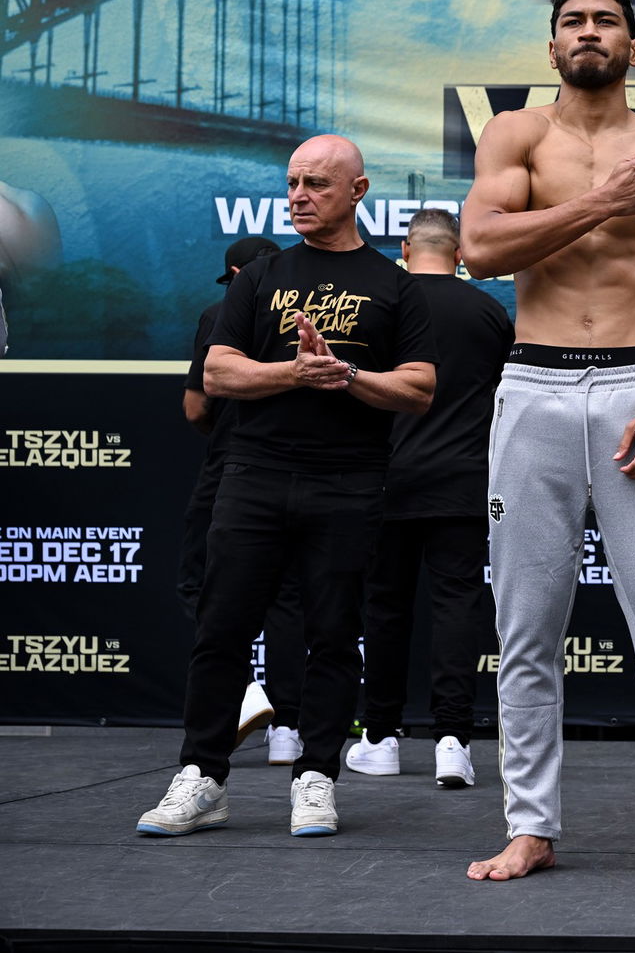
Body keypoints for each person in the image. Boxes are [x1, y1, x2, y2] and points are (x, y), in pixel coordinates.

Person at [458, 0, 635, 884]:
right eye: (574, 21)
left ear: (633, 47)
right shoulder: (516, 135)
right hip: (534, 384)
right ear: (552, 47)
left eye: (606, 21)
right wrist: (600, 205)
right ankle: (530, 826)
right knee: (526, 624)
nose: (590, 32)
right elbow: (480, 248)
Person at [136, 134, 437, 838]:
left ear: (358, 191)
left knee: (333, 634)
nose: (299, 196)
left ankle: (316, 777)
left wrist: (347, 375)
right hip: (254, 474)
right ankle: (203, 776)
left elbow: (420, 388)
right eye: (293, 182)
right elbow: (218, 373)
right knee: (222, 629)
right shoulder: (261, 277)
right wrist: (296, 372)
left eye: (317, 184)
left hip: (349, 480)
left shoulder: (395, 285)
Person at [345, 209, 512, 788]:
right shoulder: (489, 312)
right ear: (460, 253)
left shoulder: (379, 304)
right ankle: (453, 741)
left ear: (405, 248)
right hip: (464, 479)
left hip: (385, 478)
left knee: (385, 608)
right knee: (457, 606)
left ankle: (380, 737)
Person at [178, 236, 308, 765]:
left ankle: (249, 692)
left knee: (200, 585)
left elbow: (195, 408)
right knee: (285, 598)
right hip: (298, 467)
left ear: (236, 274)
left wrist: (224, 432)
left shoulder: (218, 314)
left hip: (231, 471)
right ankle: (288, 729)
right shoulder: (310, 317)